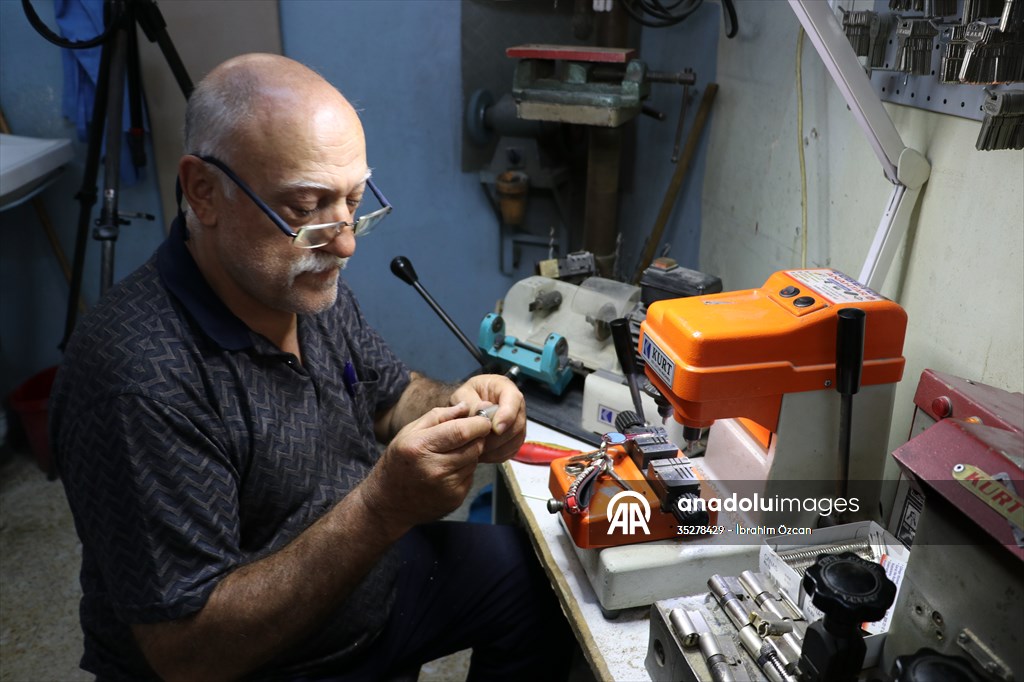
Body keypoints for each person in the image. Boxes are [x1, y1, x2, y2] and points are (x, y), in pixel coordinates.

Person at [50, 53, 572, 681]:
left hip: (363, 581)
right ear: (203, 191)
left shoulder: (296, 283)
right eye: (305, 206)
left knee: (535, 581)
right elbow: (186, 654)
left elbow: (390, 395)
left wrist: (465, 405)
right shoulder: (136, 376)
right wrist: (383, 508)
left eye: (353, 201)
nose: (345, 242)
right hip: (257, 656)